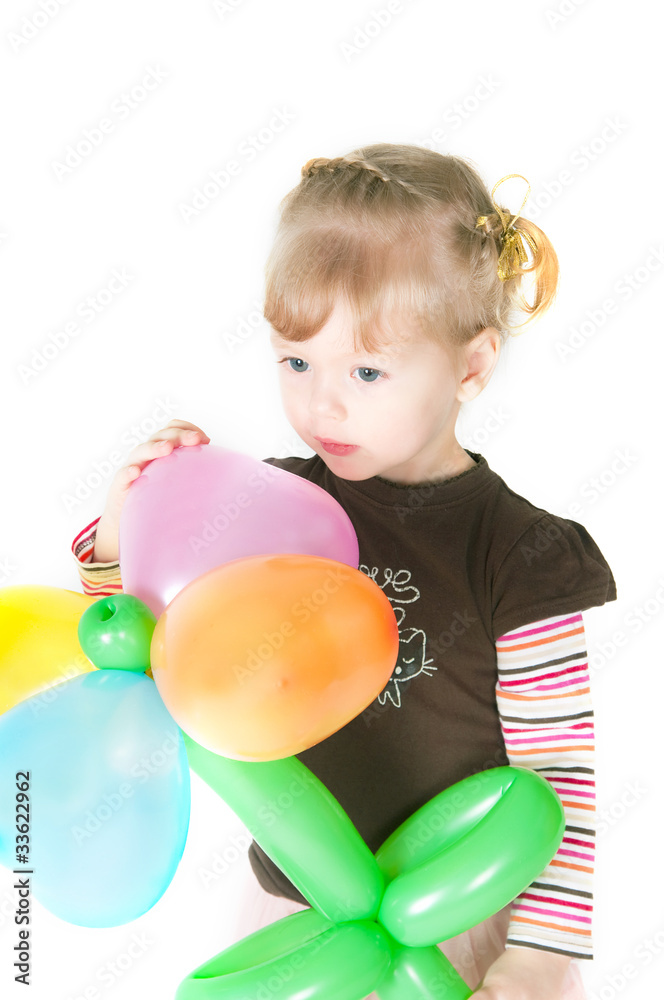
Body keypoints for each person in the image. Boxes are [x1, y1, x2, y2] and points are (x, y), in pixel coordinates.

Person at [71, 144, 617, 999]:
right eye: (296, 362)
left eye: (365, 371)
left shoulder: (522, 554)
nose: (321, 403)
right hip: (300, 913)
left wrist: (545, 953)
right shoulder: (265, 511)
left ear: (471, 366)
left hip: (456, 927)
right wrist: (122, 524)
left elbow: (560, 779)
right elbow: (144, 654)